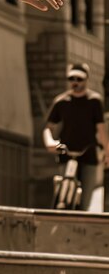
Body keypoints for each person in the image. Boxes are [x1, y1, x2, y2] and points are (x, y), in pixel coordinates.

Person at [43, 63, 108, 211]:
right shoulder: (61, 102)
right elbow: (48, 128)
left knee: (85, 201)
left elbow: (101, 130)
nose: (75, 82)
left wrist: (107, 152)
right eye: (72, 79)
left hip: (88, 155)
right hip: (66, 153)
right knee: (63, 194)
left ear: (86, 80)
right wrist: (50, 142)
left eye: (79, 79)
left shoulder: (94, 101)